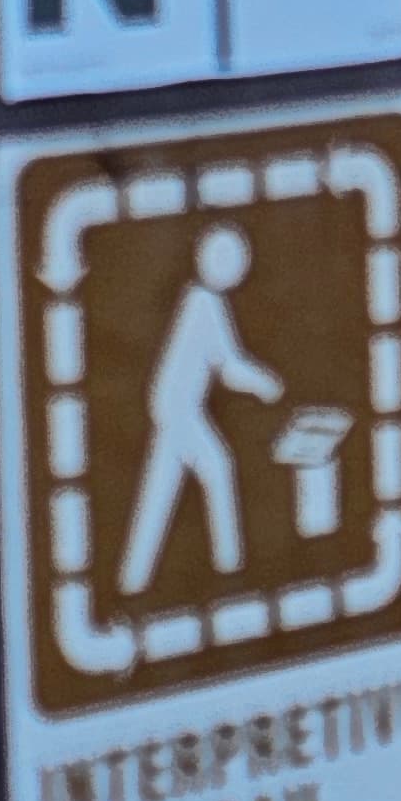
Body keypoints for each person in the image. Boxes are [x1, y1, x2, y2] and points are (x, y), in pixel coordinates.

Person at [118, 226, 282, 596]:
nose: (239, 269)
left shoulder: (201, 300)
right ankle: (231, 569)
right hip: (177, 409)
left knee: (162, 489)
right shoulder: (204, 303)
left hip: (173, 408)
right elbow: (228, 367)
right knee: (217, 469)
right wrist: (263, 383)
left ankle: (134, 580)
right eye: (233, 261)